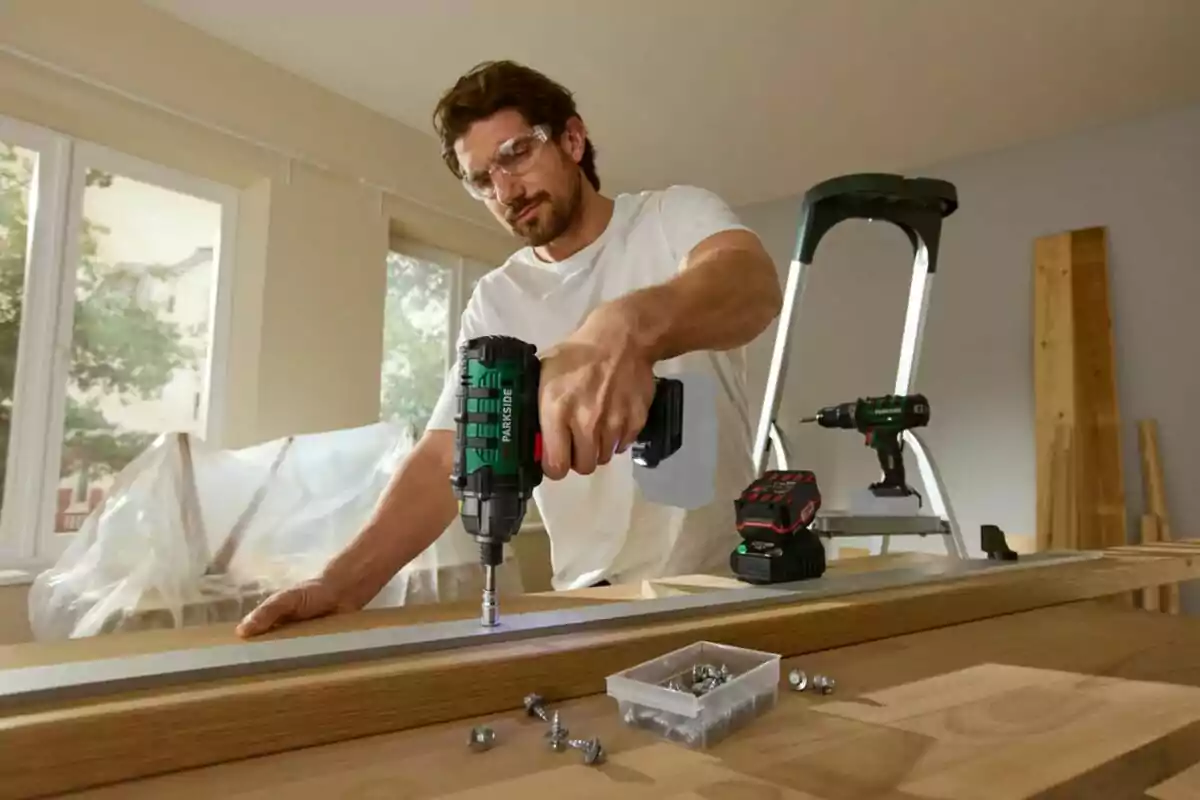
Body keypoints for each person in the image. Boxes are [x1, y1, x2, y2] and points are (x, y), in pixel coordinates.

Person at [236, 60, 781, 637]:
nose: (505, 190)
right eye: (481, 180)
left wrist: (624, 326)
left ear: (572, 139)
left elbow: (751, 285)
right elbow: (448, 455)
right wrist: (341, 584)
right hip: (589, 601)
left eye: (517, 153)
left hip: (719, 586)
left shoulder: (672, 217)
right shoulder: (498, 299)